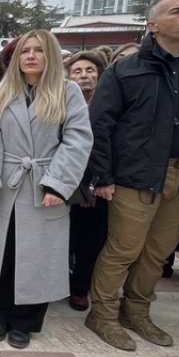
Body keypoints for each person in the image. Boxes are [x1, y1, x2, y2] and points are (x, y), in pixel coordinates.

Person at [85, 0, 179, 351]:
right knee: (123, 249)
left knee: (158, 252)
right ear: (153, 25)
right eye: (177, 11)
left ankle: (136, 311)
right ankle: (102, 313)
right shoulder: (128, 68)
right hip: (136, 176)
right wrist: (102, 176)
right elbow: (100, 124)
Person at [0, 31, 93, 349]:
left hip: (44, 183)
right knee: (1, 252)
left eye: (38, 50)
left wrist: (58, 183)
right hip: (6, 181)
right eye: (24, 51)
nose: (30, 56)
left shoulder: (67, 92)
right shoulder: (1, 92)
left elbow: (78, 140)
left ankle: (25, 321)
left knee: (35, 255)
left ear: (50, 56)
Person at [65, 50, 109, 311]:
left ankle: (80, 288)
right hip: (66, 180)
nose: (84, 76)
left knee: (90, 239)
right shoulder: (62, 103)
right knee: (64, 236)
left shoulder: (107, 106)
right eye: (77, 71)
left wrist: (100, 180)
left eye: (90, 70)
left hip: (97, 181)